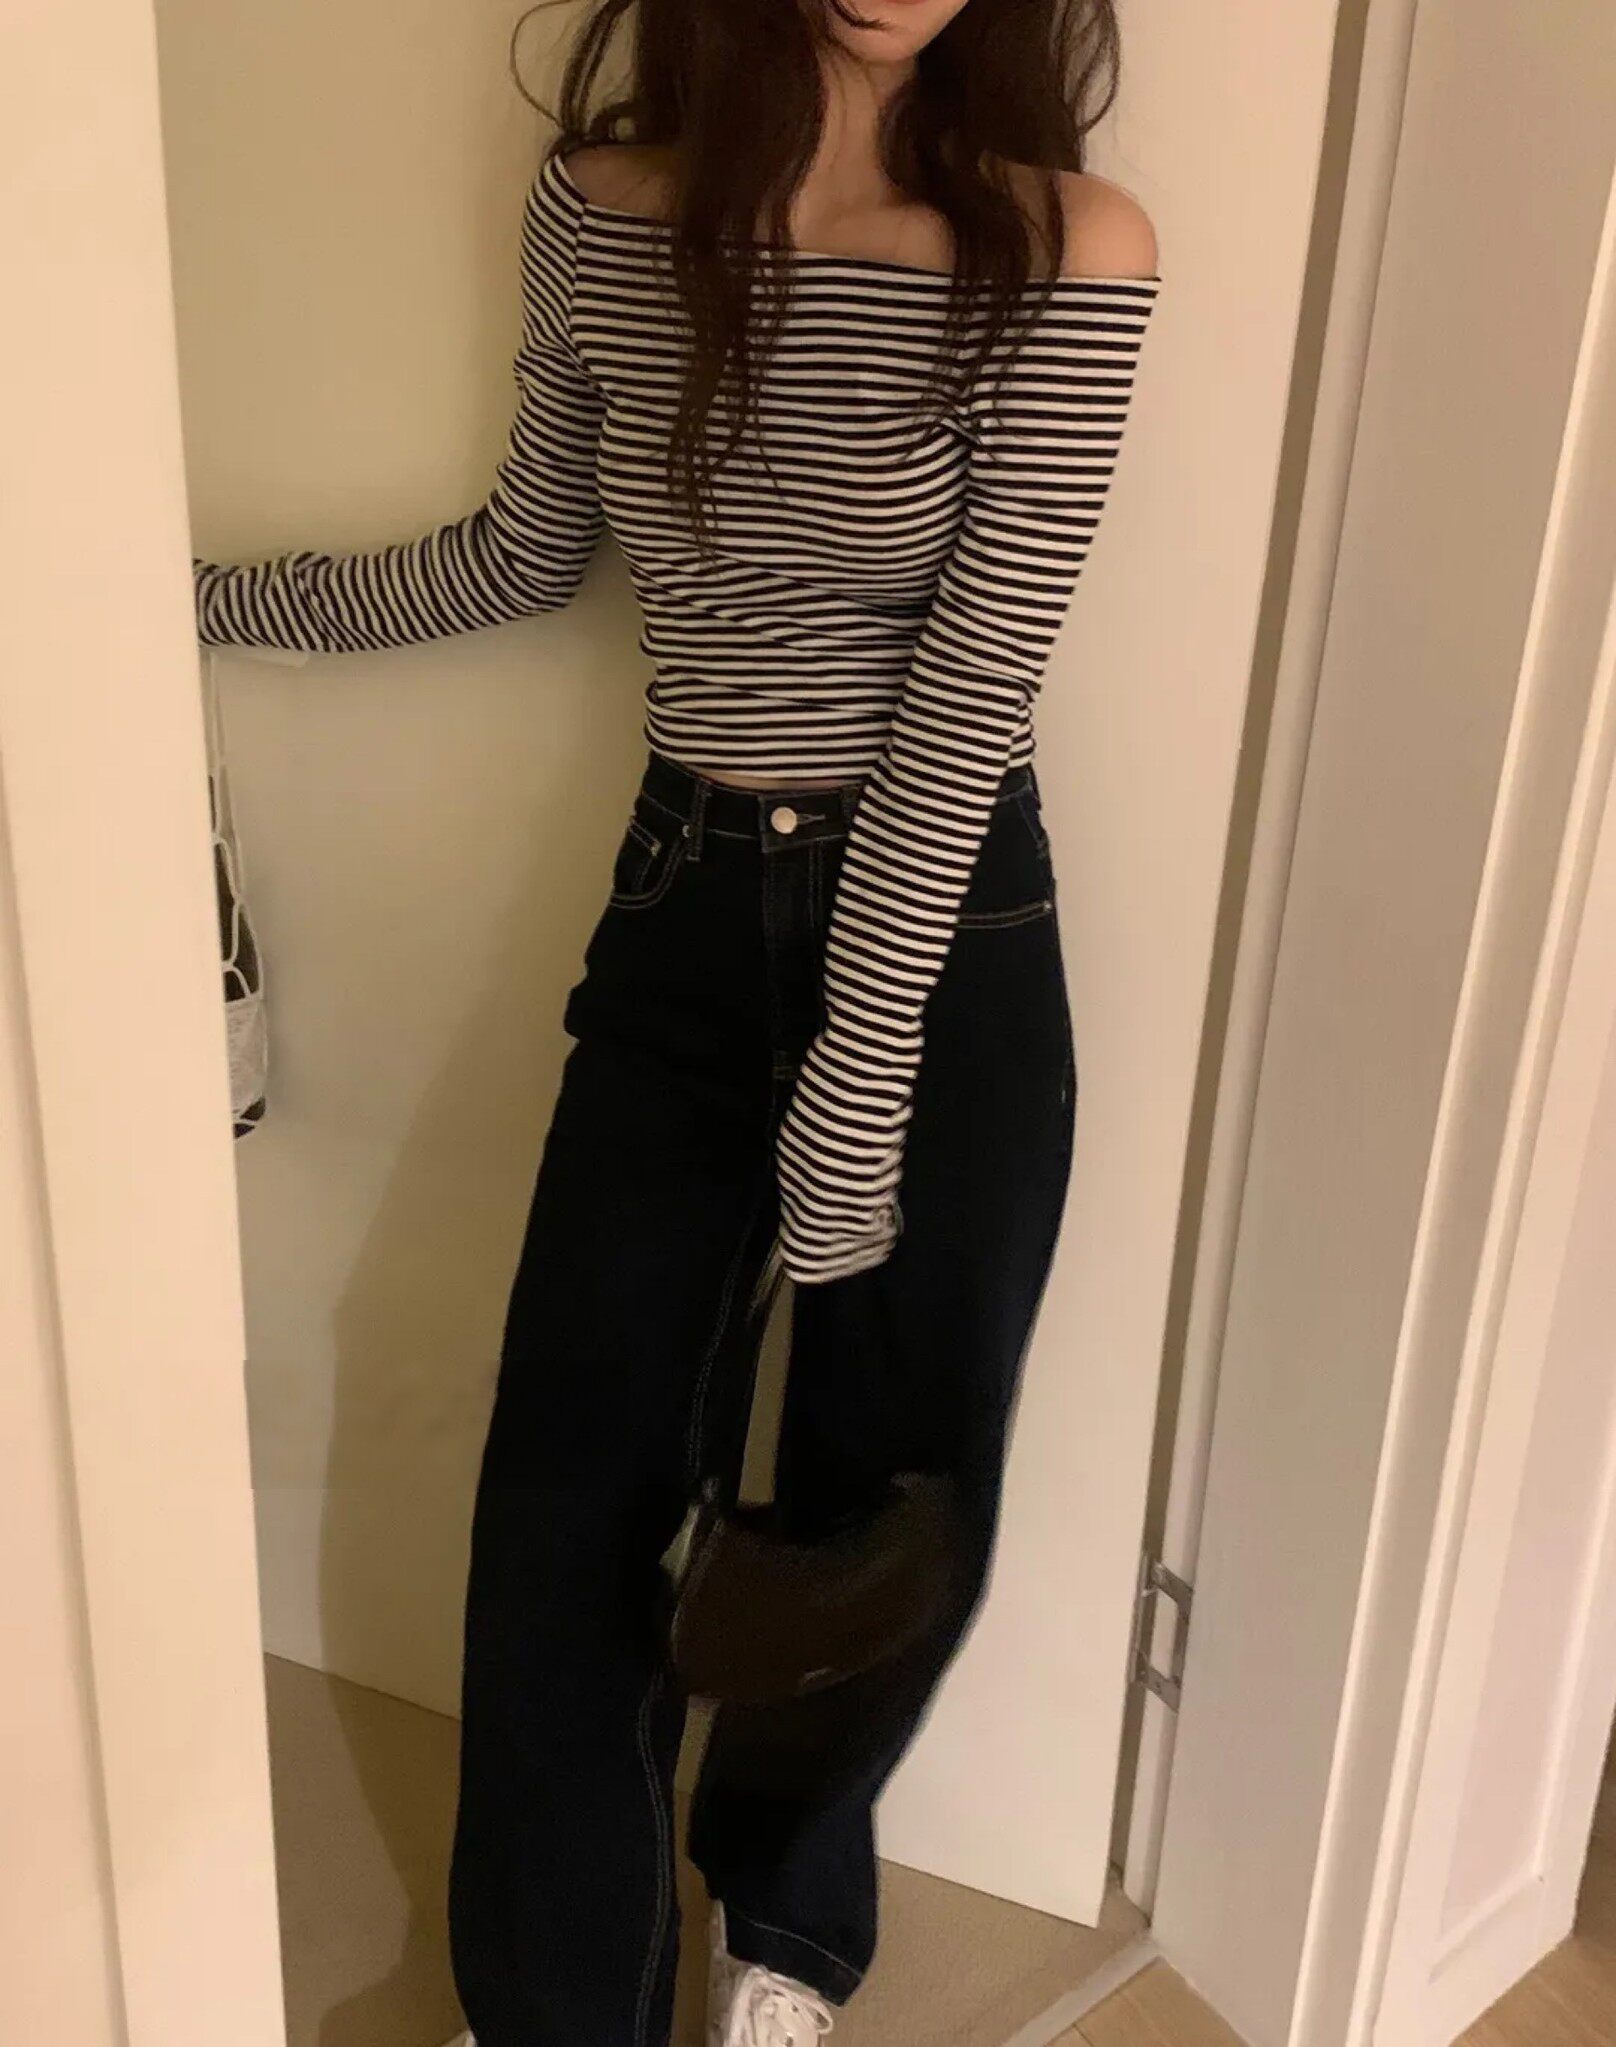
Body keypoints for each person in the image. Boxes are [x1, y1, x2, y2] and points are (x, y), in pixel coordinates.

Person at [191, 0, 1161, 2038]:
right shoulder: (606, 208)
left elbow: (972, 684)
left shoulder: (1067, 246)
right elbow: (525, 551)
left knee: (897, 1487)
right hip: (688, 902)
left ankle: (786, 1931)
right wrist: (182, 596)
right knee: (578, 1481)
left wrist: (861, 1069)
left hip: (951, 928)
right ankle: (562, 2001)